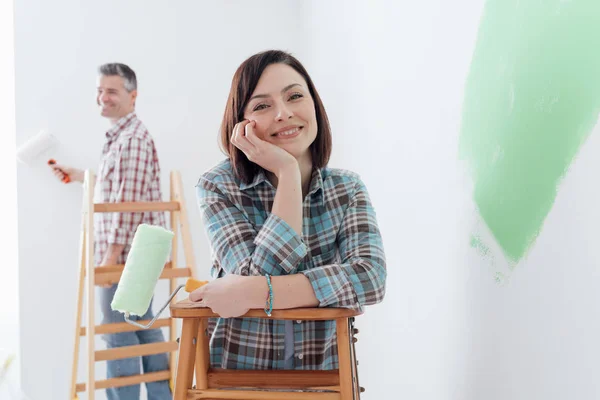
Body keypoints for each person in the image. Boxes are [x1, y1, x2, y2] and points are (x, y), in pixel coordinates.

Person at [188, 50, 387, 370]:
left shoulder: (346, 188)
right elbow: (257, 273)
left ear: (314, 105)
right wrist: (288, 172)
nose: (283, 113)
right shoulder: (218, 186)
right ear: (240, 124)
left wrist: (255, 292)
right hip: (237, 377)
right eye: (263, 105)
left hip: (322, 378)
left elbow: (370, 279)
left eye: (295, 96)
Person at [49, 63, 171, 399]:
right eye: (100, 91)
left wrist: (110, 257)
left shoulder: (131, 139)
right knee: (139, 325)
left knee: (118, 332)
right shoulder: (125, 137)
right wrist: (78, 175)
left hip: (128, 255)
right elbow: (122, 186)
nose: (103, 97)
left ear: (133, 96)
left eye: (112, 91)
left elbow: (127, 201)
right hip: (135, 253)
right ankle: (163, 396)